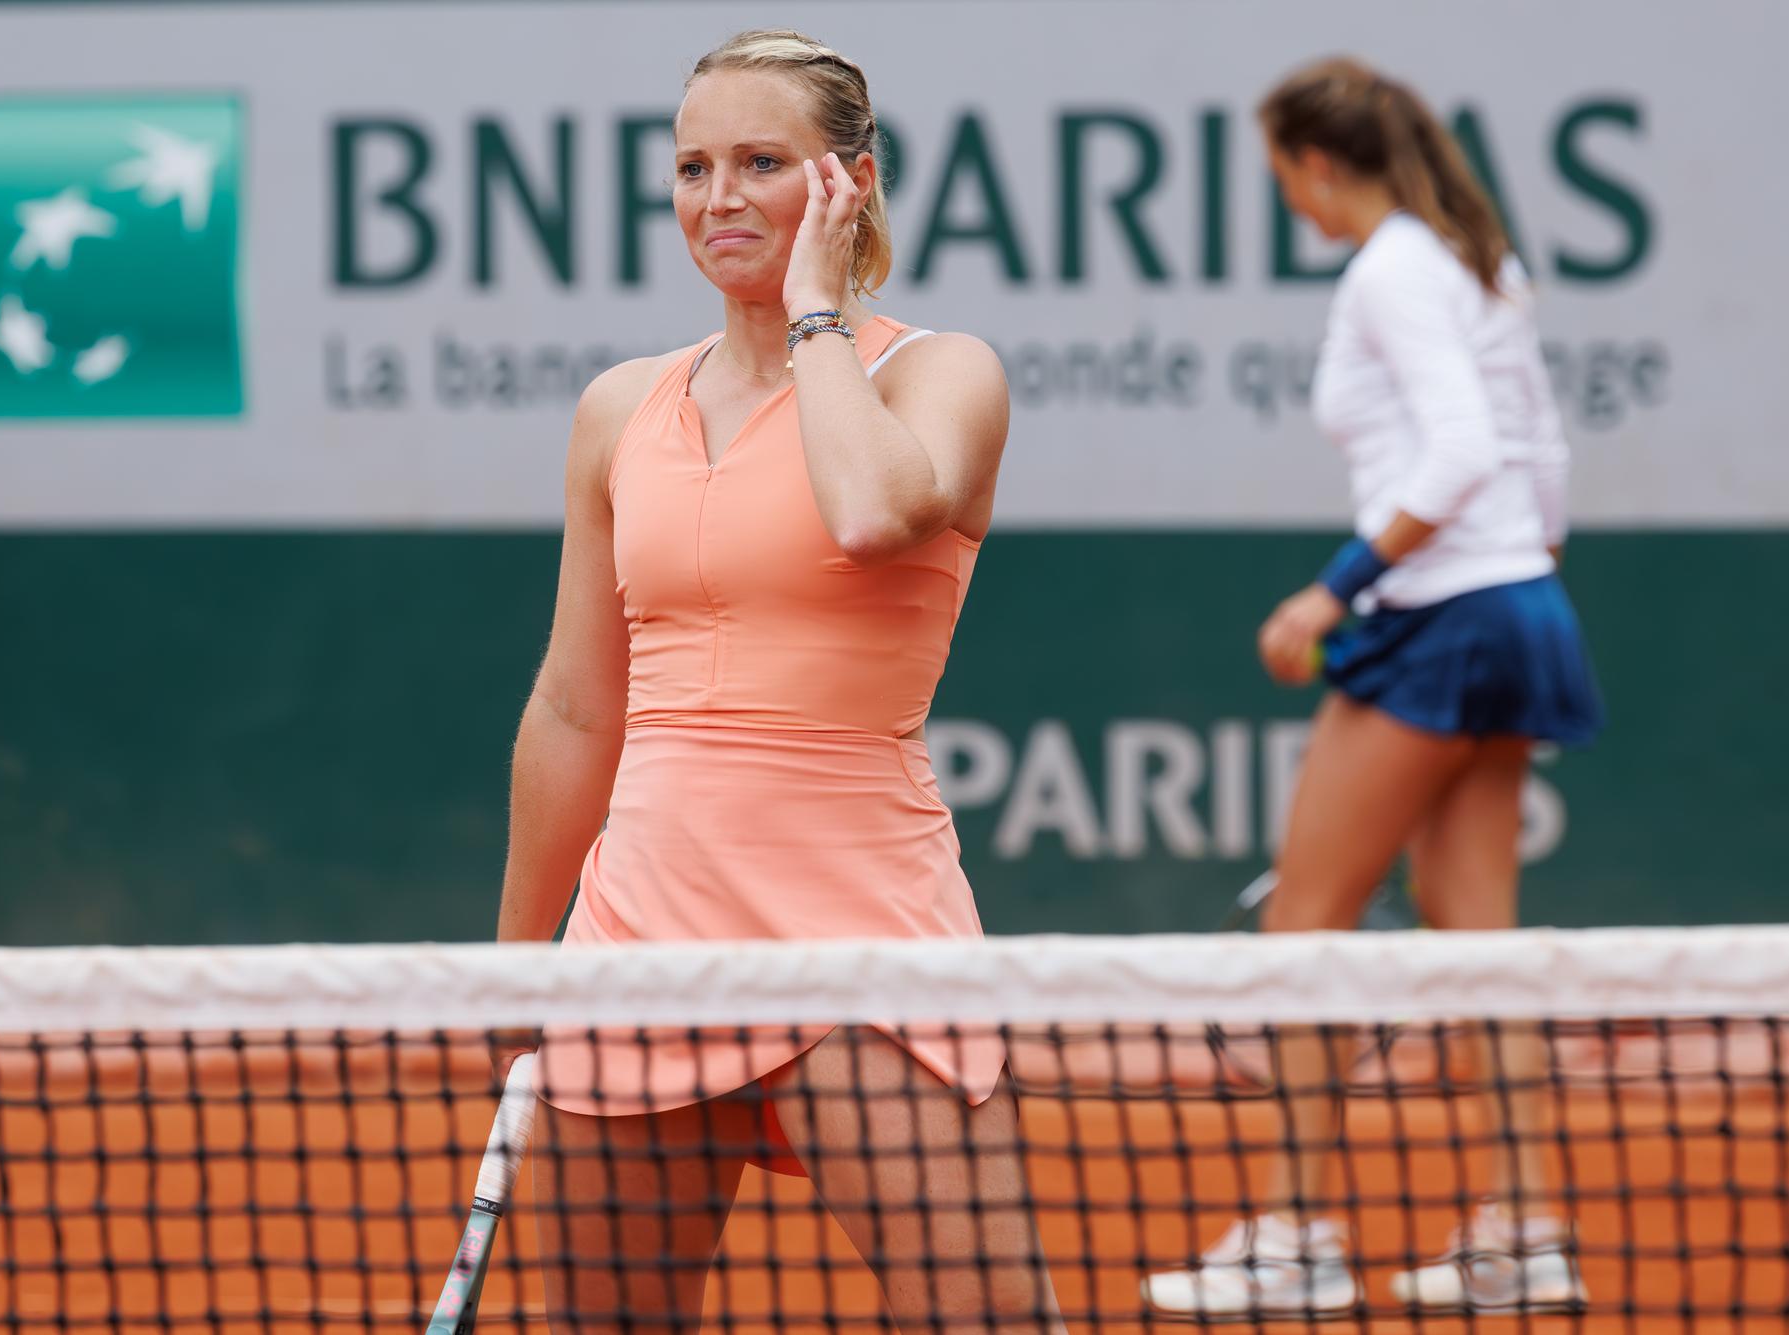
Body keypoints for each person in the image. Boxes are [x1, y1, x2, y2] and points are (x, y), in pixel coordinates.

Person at [493, 28, 1062, 1335]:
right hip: (638, 936)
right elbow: (579, 706)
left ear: (848, 184)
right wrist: (514, 966)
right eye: (694, 166)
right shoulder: (617, 408)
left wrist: (816, 309)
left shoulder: (938, 374)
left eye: (762, 162)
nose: (718, 198)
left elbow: (870, 512)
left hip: (859, 931)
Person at [1142, 57, 1603, 1320]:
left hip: (1442, 620)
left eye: (1281, 170)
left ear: (1313, 162)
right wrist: (1517, 576)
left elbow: (1462, 448)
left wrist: (1331, 592)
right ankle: (1526, 1232)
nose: (1287, 195)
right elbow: (1539, 458)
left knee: (1306, 928)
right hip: (1520, 609)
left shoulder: (1391, 268)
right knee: (1477, 937)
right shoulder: (1478, 262)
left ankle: (1295, 1235)